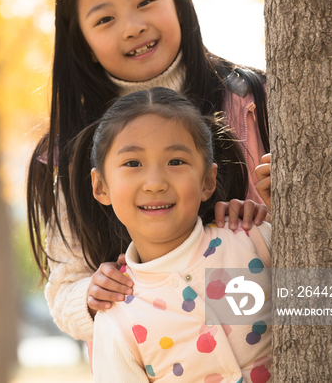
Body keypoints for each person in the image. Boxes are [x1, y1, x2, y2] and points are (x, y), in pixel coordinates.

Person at [26, 0, 271, 343]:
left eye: (144, 3)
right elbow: (63, 287)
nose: (133, 26)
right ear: (82, 42)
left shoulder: (253, 101)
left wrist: (282, 211)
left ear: (178, 1)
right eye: (104, 19)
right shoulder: (72, 153)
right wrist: (92, 296)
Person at [70, 87, 272, 382]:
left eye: (176, 162)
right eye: (133, 163)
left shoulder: (252, 239)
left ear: (207, 181)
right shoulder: (117, 318)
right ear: (101, 186)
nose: (154, 183)